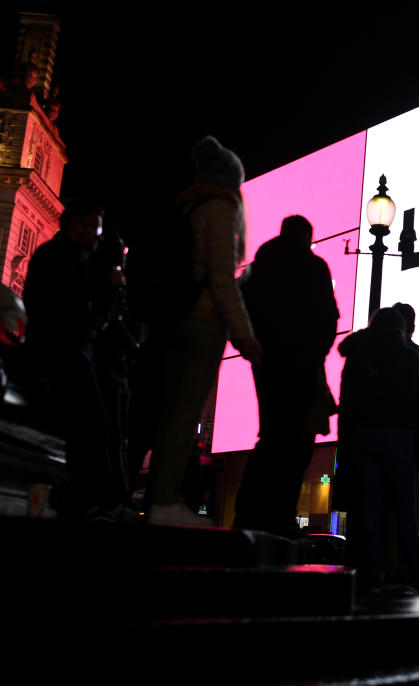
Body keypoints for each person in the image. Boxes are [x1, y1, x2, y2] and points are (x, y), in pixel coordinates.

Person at [148, 136, 262, 526]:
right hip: (202, 321)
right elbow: (221, 279)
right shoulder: (220, 209)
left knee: (172, 412)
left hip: (177, 318)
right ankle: (163, 502)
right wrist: (244, 334)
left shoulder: (189, 207)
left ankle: (160, 499)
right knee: (184, 414)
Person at [22, 200, 130, 521]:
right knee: (93, 422)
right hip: (62, 348)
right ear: (74, 226)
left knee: (91, 423)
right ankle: (87, 499)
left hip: (67, 347)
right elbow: (80, 311)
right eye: (92, 227)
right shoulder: (61, 259)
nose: (97, 235)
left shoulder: (68, 257)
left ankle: (88, 498)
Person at [232, 215, 339, 536]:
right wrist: (316, 352)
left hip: (266, 360)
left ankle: (250, 511)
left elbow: (241, 309)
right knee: (298, 440)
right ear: (307, 236)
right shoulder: (314, 267)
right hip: (302, 362)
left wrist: (253, 346)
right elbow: (328, 316)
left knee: (273, 435)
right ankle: (280, 512)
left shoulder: (259, 267)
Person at [337, 306, 419, 592]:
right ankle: (415, 571)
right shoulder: (409, 357)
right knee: (404, 507)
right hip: (400, 439)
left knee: (369, 507)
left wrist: (345, 448)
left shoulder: (358, 355)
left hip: (363, 438)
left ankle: (373, 569)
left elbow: (347, 405)